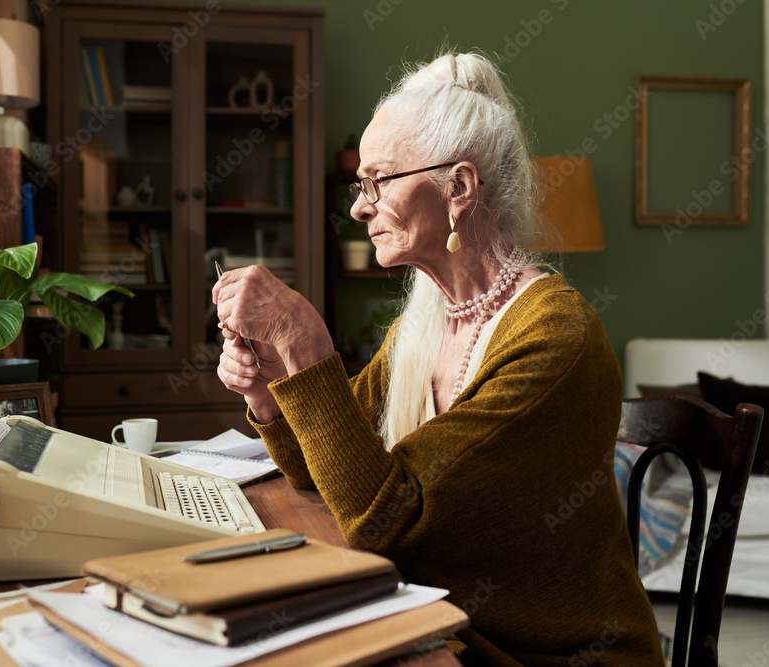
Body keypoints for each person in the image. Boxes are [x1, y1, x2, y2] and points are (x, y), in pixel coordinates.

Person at [213, 51, 663, 666]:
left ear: (459, 187)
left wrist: (306, 343)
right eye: (359, 185)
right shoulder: (426, 323)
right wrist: (268, 395)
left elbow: (386, 523)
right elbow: (328, 479)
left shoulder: (555, 338)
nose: (358, 208)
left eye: (379, 181)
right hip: (449, 623)